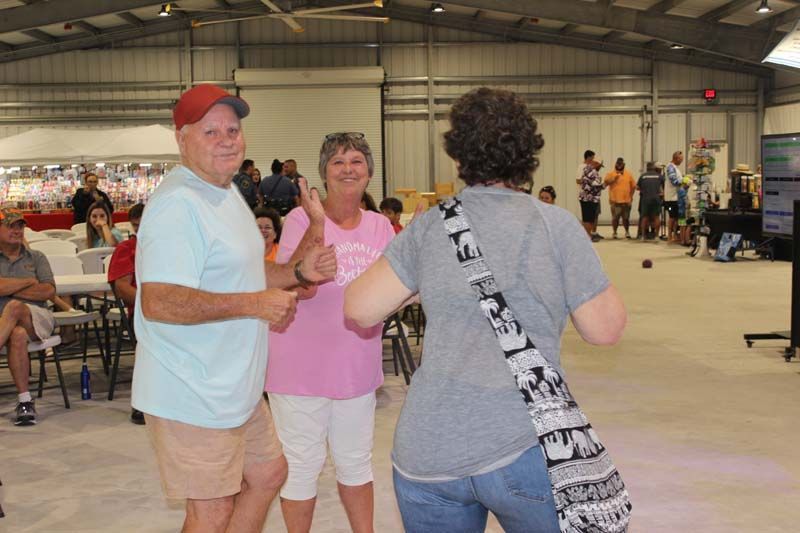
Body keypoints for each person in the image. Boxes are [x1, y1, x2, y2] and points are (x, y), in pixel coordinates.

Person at [343, 87, 627, 533]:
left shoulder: (431, 227)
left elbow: (359, 309)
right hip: (525, 443)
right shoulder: (556, 226)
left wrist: (418, 283)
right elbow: (604, 329)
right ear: (528, 154)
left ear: (458, 158)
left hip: (429, 450)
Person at [131, 83, 337, 533]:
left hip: (232, 387)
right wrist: (255, 304)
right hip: (191, 389)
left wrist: (298, 274)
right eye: (210, 131)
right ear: (181, 138)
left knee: (267, 473)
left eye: (233, 129)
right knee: (211, 511)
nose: (226, 139)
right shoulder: (178, 205)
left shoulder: (224, 193)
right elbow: (160, 300)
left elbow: (243, 278)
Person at [265, 132, 395, 533]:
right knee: (302, 465)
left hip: (357, 366)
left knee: (356, 462)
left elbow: (394, 289)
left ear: (369, 173)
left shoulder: (379, 227)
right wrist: (319, 222)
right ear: (324, 173)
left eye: (356, 160)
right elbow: (295, 284)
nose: (348, 168)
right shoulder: (301, 220)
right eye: (337, 162)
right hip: (298, 369)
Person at [0, 208, 56, 426]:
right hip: (7, 325)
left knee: (14, 307)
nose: (17, 231)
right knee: (17, 334)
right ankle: (25, 402)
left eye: (20, 226)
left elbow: (48, 292)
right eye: (11, 226)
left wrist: (8, 289)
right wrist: (28, 282)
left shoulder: (37, 257)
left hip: (38, 317)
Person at [106, 203, 145, 425]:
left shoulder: (173, 247)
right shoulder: (127, 249)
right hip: (142, 313)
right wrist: (150, 305)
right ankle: (141, 402)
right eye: (138, 225)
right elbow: (122, 288)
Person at [604, 157, 637, 239]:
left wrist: (631, 197)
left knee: (626, 218)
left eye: (620, 164)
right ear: (615, 164)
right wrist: (614, 178)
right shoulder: (610, 174)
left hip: (626, 201)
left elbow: (633, 186)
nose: (619, 165)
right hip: (615, 201)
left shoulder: (628, 174)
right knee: (615, 218)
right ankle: (615, 232)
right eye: (618, 164)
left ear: (623, 164)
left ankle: (627, 232)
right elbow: (606, 183)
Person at [637, 161, 664, 240]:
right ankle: (656, 236)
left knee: (644, 217)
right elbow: (663, 185)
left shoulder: (643, 176)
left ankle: (643, 236)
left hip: (645, 199)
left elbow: (637, 187)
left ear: (647, 168)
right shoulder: (659, 176)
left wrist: (644, 189)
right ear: (654, 168)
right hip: (656, 198)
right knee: (656, 217)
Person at [579, 159, 605, 241]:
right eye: (600, 166)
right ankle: (587, 237)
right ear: (595, 164)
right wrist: (606, 183)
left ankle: (587, 235)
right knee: (588, 220)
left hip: (587, 198)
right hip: (589, 199)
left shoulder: (587, 169)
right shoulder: (593, 172)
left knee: (588, 219)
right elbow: (596, 185)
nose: (600, 168)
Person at [664, 151, 684, 243]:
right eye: (681, 159)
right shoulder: (670, 167)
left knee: (676, 217)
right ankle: (669, 236)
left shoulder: (675, 167)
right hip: (671, 198)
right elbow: (674, 181)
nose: (681, 161)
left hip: (676, 197)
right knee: (672, 217)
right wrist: (685, 181)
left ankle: (675, 235)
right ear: (676, 158)